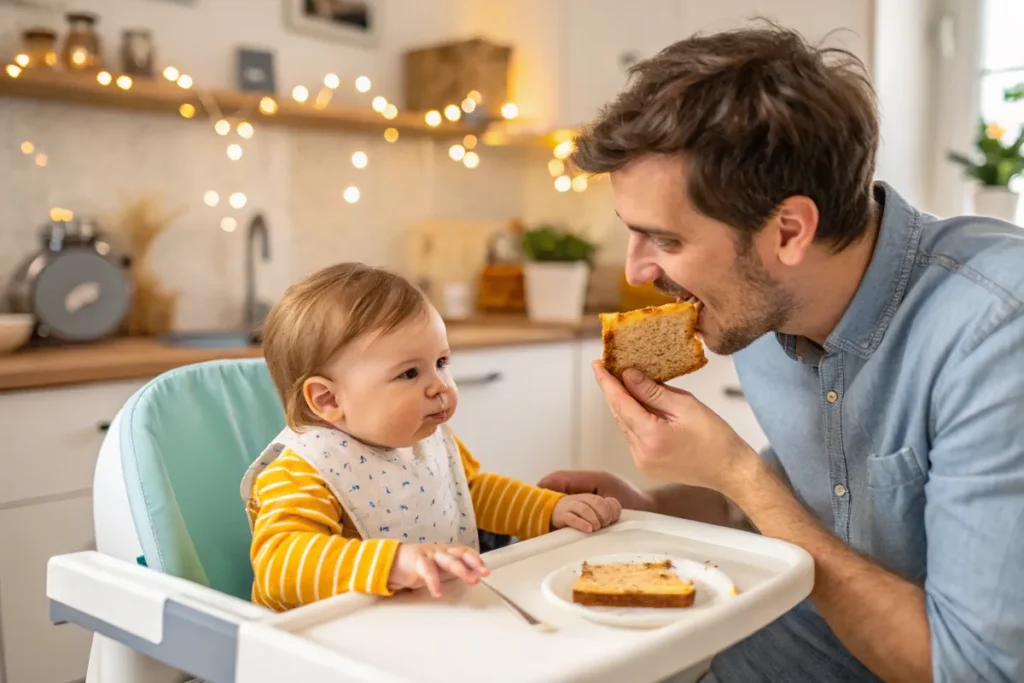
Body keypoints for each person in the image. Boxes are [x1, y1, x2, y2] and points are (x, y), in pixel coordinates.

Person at [539, 21, 1024, 683]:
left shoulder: (996, 335)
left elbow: (971, 669)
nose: (637, 272)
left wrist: (735, 470)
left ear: (789, 230)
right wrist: (661, 505)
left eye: (666, 241)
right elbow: (804, 499)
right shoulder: (763, 305)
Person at [242, 263, 621, 611]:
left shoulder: (425, 438)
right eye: (409, 374)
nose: (440, 386)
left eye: (441, 363)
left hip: (418, 624)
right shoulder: (302, 470)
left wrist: (548, 510)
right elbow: (280, 565)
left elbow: (469, 494)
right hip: (317, 650)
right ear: (328, 399)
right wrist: (395, 563)